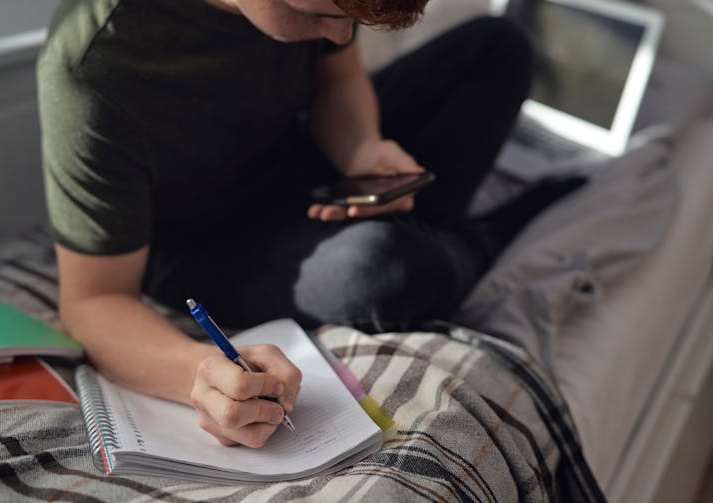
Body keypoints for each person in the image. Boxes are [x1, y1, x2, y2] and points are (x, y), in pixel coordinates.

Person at [38, 0, 578, 448]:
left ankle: (431, 244)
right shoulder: (92, 70)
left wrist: (361, 151)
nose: (340, 33)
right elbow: (93, 301)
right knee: (380, 270)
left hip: (293, 160)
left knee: (496, 46)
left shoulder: (325, 10)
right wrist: (198, 370)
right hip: (206, 245)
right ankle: (480, 240)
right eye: (320, 14)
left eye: (352, 20)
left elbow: (337, 79)